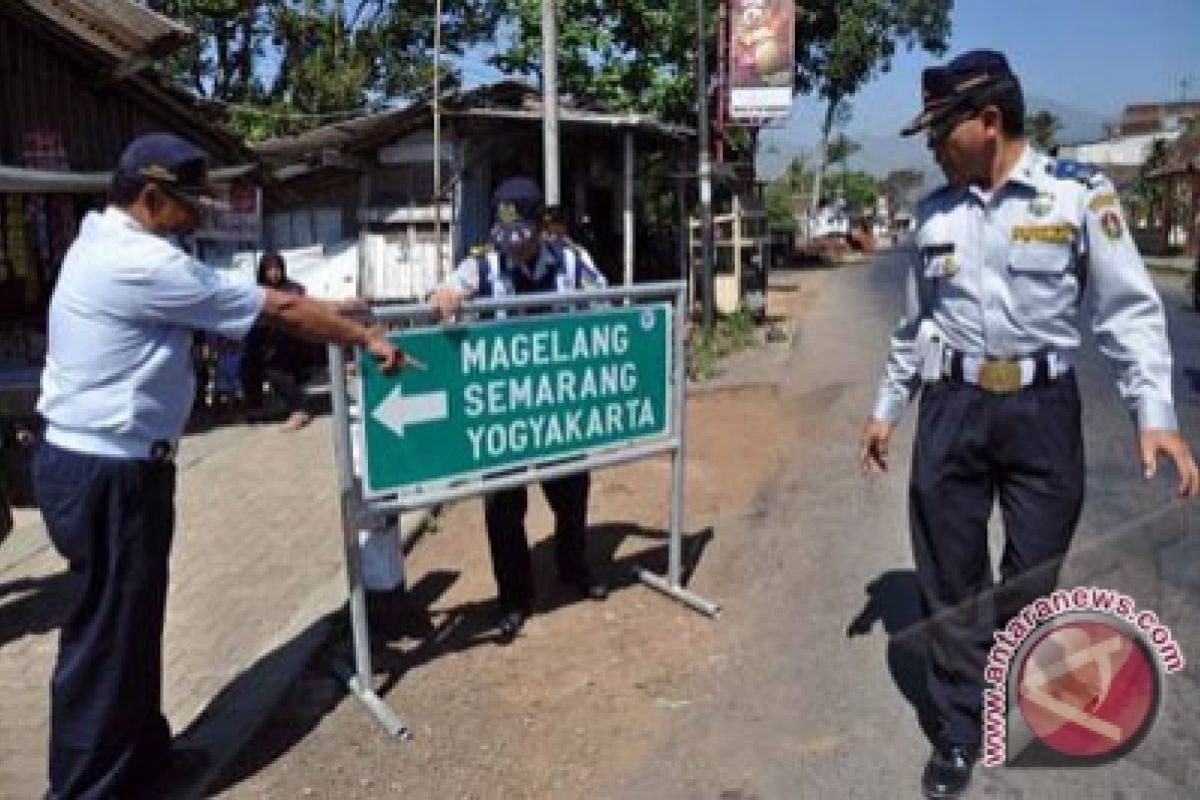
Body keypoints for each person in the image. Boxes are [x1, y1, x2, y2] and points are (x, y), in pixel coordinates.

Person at [858, 50, 1199, 799]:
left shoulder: (1078, 196)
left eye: (940, 129)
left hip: (1044, 411)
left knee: (1034, 572)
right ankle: (957, 727)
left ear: (987, 123)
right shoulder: (933, 216)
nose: (931, 145)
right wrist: (886, 411)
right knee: (949, 578)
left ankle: (999, 669)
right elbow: (914, 330)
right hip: (953, 406)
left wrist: (1155, 413)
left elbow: (1129, 309)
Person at [33, 132, 406, 798]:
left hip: (109, 468)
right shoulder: (140, 263)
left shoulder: (104, 239)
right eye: (188, 202)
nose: (199, 214)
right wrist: (367, 338)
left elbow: (251, 299)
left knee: (133, 627)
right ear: (151, 197)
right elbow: (280, 308)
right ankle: (85, 789)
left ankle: (145, 762)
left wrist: (339, 309)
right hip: (107, 475)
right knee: (105, 644)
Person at [429, 177, 609, 640]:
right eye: (506, 237)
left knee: (571, 492)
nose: (516, 248)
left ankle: (573, 568)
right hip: (504, 412)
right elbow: (448, 291)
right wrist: (444, 297)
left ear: (541, 226)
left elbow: (610, 308)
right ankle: (514, 597)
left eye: (523, 236)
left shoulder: (572, 261)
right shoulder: (484, 265)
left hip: (559, 405)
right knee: (503, 508)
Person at [241, 251, 322, 430]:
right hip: (265, 344)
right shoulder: (257, 290)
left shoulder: (293, 289)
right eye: (269, 269)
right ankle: (256, 407)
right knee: (248, 363)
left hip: (293, 343)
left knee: (274, 369)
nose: (274, 273)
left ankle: (299, 411)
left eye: (277, 268)